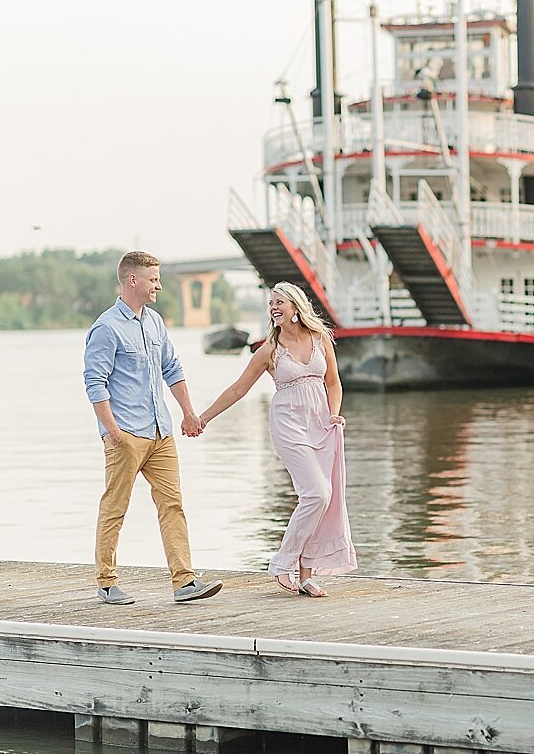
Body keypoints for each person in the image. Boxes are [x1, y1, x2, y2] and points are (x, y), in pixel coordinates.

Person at [198, 281, 356, 597]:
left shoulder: (320, 339)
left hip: (321, 425)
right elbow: (237, 389)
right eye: (271, 303)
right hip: (288, 426)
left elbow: (334, 384)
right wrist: (203, 418)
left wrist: (334, 414)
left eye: (279, 302)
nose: (273, 308)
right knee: (317, 493)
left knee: (322, 499)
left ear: (295, 308)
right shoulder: (269, 351)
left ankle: (306, 575)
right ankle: (283, 562)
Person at [82, 251, 223, 605]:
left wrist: (189, 413)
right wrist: (113, 431)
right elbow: (94, 382)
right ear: (133, 281)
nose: (158, 284)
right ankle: (107, 582)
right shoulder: (107, 328)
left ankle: (184, 582)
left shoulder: (155, 322)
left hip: (161, 431)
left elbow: (172, 369)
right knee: (115, 507)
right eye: (153, 279)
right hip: (126, 433)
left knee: (173, 504)